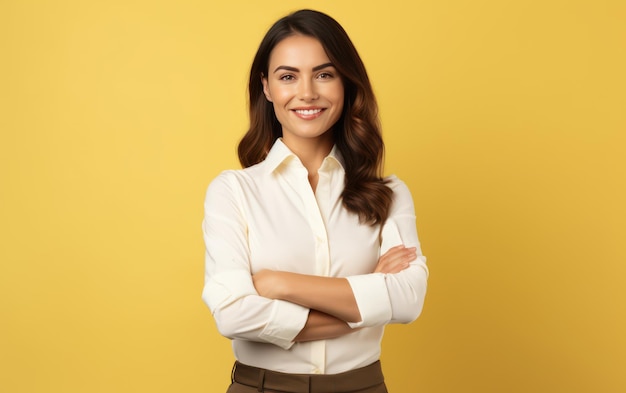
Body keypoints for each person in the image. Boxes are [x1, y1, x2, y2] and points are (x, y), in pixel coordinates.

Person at [202, 9, 428, 393]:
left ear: (346, 84)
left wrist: (278, 283)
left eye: (324, 74)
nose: (307, 92)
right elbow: (233, 315)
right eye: (288, 76)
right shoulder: (233, 191)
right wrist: (368, 297)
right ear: (267, 88)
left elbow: (408, 299)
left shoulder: (388, 194)